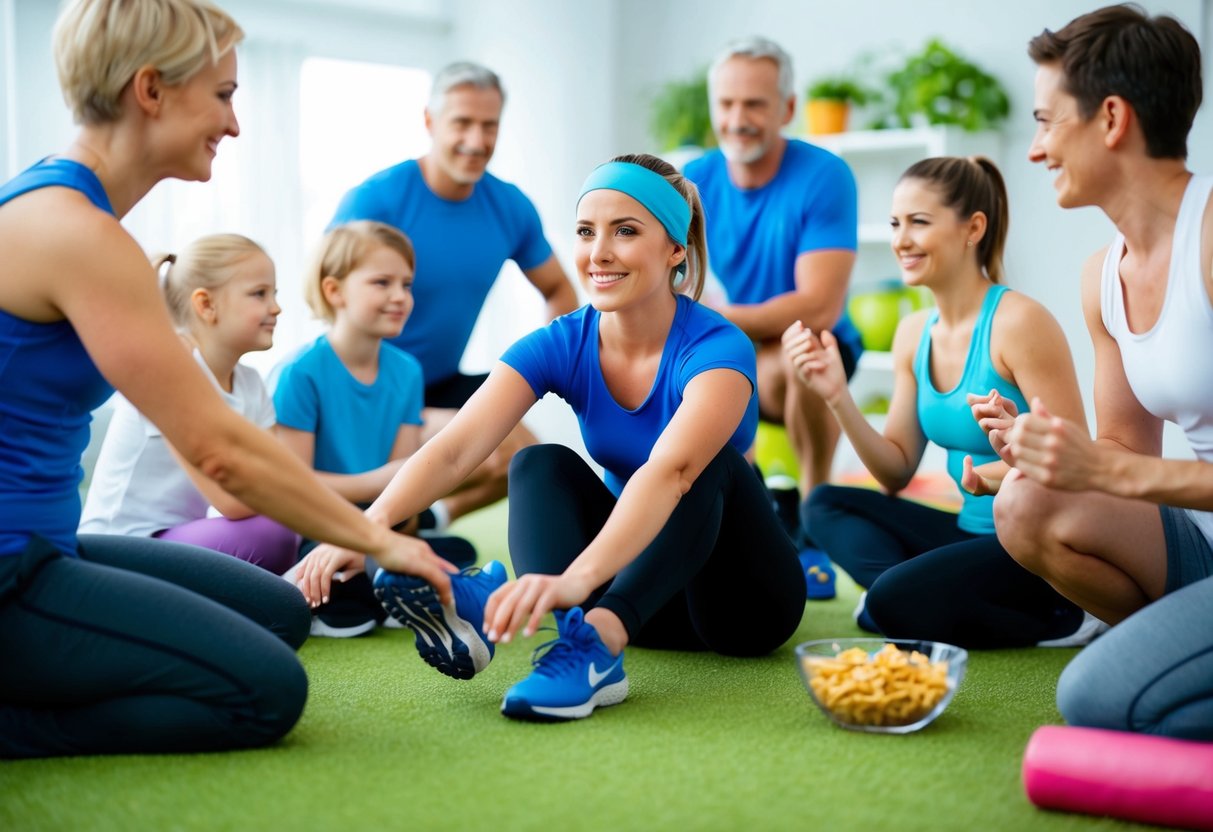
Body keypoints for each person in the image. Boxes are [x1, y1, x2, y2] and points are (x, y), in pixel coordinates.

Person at [0, 0, 456, 759]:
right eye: (222, 96)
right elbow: (220, 455)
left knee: (274, 613)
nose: (235, 124)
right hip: (12, 568)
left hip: (52, 544)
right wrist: (384, 540)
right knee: (265, 692)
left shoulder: (64, 213)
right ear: (151, 90)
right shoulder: (76, 233)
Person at [297, 154, 807, 721]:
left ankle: (596, 644)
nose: (599, 252)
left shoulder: (718, 348)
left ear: (675, 251)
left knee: (709, 467)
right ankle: (537, 624)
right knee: (537, 462)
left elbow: (672, 473)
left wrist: (578, 579)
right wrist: (365, 530)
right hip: (641, 595)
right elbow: (456, 447)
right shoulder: (564, 341)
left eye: (626, 231)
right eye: (588, 232)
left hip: (740, 608)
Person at [996, 5, 1213, 739]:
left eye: (1045, 121)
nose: (1033, 151)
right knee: (1026, 504)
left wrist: (1112, 475)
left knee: (1092, 699)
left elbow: (1124, 476)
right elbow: (1122, 451)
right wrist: (1048, 460)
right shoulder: (1102, 277)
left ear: (1110, 118)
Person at [785, 156, 1096, 649]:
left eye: (919, 223)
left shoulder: (1018, 323)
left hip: (1034, 549)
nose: (900, 240)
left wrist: (1000, 471)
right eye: (895, 224)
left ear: (973, 228)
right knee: (822, 504)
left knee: (888, 604)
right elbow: (896, 471)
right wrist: (836, 395)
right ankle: (915, 594)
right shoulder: (914, 333)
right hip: (964, 532)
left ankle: (1062, 617)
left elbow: (1079, 464)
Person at [329, 61, 579, 529]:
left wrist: (553, 367)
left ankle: (429, 523)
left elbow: (559, 289)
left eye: (489, 125)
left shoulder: (509, 208)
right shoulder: (378, 200)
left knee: (527, 455)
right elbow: (328, 297)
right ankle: (392, 526)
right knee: (475, 444)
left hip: (441, 379)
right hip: (370, 385)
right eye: (462, 123)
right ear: (430, 122)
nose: (476, 140)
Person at [684, 37, 863, 541]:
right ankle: (740, 505)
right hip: (738, 343)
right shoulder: (692, 181)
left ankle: (813, 513)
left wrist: (715, 318)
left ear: (787, 108)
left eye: (754, 104)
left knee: (802, 352)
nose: (737, 118)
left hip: (815, 345)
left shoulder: (826, 175)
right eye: (726, 103)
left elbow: (820, 306)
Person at [273, 220, 475, 636]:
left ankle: (371, 580)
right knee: (350, 601)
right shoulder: (300, 373)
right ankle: (361, 585)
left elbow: (403, 492)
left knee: (459, 552)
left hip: (377, 522)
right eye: (382, 283)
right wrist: (377, 482)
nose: (400, 297)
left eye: (406, 284)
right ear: (335, 291)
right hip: (317, 524)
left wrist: (385, 510)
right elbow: (293, 488)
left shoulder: (406, 372)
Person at [80, 233, 298, 574]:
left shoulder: (252, 384)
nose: (276, 307)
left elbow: (277, 476)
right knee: (276, 532)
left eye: (275, 294)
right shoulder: (170, 371)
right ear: (206, 305)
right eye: (260, 294)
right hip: (120, 550)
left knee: (286, 532)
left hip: (173, 539)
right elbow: (232, 501)